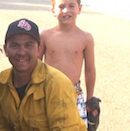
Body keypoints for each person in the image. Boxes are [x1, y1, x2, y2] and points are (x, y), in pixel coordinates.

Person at [0, 18, 86, 130]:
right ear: (5, 50)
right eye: (15, 45)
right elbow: (0, 124)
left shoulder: (57, 84)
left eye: (28, 45)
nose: (21, 52)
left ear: (39, 49)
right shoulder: (2, 82)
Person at [39, 0, 99, 129]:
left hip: (74, 93)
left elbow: (90, 70)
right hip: (48, 92)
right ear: (53, 10)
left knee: (75, 126)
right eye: (61, 7)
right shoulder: (45, 35)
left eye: (71, 6)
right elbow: (35, 67)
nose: (66, 10)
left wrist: (90, 99)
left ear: (79, 8)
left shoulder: (86, 38)